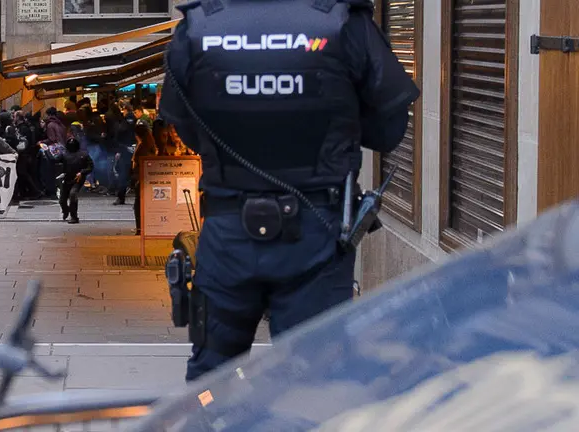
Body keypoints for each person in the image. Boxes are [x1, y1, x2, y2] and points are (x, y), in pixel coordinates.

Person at [159, 0, 420, 381]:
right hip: (317, 234)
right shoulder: (343, 22)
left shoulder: (198, 27)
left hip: (227, 234)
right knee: (314, 382)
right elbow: (388, 130)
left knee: (211, 381)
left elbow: (185, 126)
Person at [55, 137, 93, 223]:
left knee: (72, 195)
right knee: (62, 200)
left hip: (77, 180)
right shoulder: (64, 154)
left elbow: (90, 166)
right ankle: (66, 211)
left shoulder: (83, 154)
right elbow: (55, 160)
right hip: (67, 179)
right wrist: (49, 151)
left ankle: (74, 217)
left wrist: (82, 172)